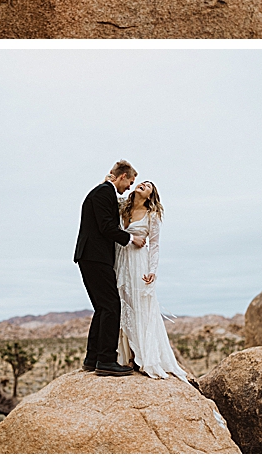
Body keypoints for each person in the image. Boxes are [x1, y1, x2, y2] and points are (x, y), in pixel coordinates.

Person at [73, 160, 146, 377]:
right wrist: (132, 238)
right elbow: (106, 227)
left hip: (91, 256)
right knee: (112, 306)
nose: (130, 187)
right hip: (95, 257)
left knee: (103, 307)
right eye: (130, 182)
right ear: (122, 176)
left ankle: (92, 358)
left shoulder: (102, 192)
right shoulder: (104, 193)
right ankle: (105, 360)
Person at [116, 181, 189, 380]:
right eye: (142, 182)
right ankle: (126, 357)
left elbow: (155, 245)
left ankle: (145, 357)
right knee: (122, 305)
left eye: (148, 186)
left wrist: (152, 271)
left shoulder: (152, 215)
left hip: (139, 263)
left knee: (141, 306)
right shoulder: (123, 207)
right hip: (120, 261)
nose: (143, 184)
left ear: (150, 195)